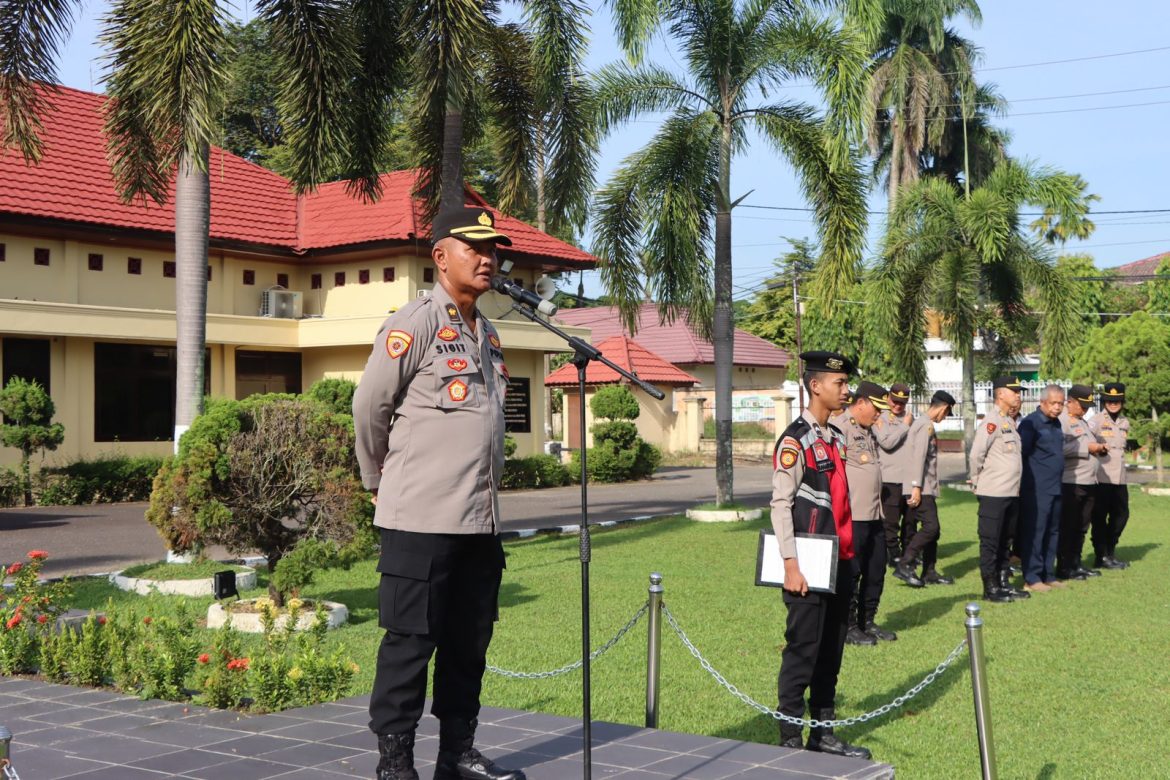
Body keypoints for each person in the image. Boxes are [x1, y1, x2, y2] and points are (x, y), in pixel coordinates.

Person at [353, 207, 525, 780]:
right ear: (441, 257)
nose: (487, 258)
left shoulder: (488, 333)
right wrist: (378, 481)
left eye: (492, 249)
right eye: (475, 247)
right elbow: (370, 407)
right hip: (420, 518)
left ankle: (457, 753)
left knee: (468, 644)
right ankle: (395, 763)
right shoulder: (415, 322)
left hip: (479, 519)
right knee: (410, 643)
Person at [771, 351, 871, 759]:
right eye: (839, 383)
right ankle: (790, 738)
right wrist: (790, 564)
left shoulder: (835, 437)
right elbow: (781, 504)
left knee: (831, 653)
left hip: (840, 560)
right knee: (803, 651)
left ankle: (822, 733)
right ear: (815, 386)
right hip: (808, 564)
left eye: (846, 383)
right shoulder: (796, 440)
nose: (846, 390)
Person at [832, 382, 897, 645]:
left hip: (873, 513)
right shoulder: (840, 428)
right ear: (860, 403)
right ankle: (847, 626)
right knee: (852, 572)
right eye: (876, 409)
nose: (879, 415)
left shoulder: (867, 431)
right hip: (853, 515)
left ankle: (867, 621)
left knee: (876, 569)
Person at [968, 377, 1029, 603]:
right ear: (1001, 394)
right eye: (1014, 391)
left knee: (1006, 540)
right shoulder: (991, 422)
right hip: (993, 492)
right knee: (991, 541)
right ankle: (990, 587)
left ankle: (1004, 582)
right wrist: (977, 481)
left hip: (1011, 492)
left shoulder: (1009, 422)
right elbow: (976, 455)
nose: (1018, 395)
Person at [893, 391, 957, 588]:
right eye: (946, 414)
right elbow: (918, 457)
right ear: (943, 408)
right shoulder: (924, 426)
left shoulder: (923, 423)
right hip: (921, 487)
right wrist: (916, 487)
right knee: (931, 528)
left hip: (924, 486)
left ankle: (929, 572)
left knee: (933, 531)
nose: (944, 418)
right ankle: (905, 563)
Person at [1018, 385, 1070, 594]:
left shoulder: (1056, 423)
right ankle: (1032, 577)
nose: (1057, 407)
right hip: (1036, 488)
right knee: (1036, 532)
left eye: (1061, 403)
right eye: (1053, 403)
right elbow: (1022, 454)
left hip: (1055, 486)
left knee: (1053, 531)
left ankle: (1048, 574)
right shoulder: (1031, 423)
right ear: (1042, 402)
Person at [1057, 385, 1108, 581]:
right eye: (1082, 405)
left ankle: (1076, 564)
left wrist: (1099, 449)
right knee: (1069, 526)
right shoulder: (1061, 421)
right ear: (1070, 402)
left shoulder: (1082, 421)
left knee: (1081, 526)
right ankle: (1064, 567)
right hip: (1072, 482)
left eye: (1088, 406)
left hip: (1089, 481)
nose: (1086, 410)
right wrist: (1088, 448)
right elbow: (1059, 448)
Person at [1088, 382, 1131, 569]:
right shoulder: (1095, 421)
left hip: (1119, 478)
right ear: (1104, 401)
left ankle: (1110, 550)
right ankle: (1101, 555)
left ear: (1122, 402)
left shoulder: (1124, 422)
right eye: (1109, 401)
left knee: (1122, 515)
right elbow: (1087, 445)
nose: (1113, 404)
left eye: (1117, 401)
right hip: (1102, 477)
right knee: (1099, 517)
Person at [874, 382, 914, 567]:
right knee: (891, 521)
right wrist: (905, 426)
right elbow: (887, 443)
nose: (898, 406)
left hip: (909, 478)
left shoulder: (910, 418)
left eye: (902, 403)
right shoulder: (880, 418)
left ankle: (909, 553)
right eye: (895, 401)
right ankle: (893, 554)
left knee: (910, 520)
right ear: (888, 398)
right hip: (890, 477)